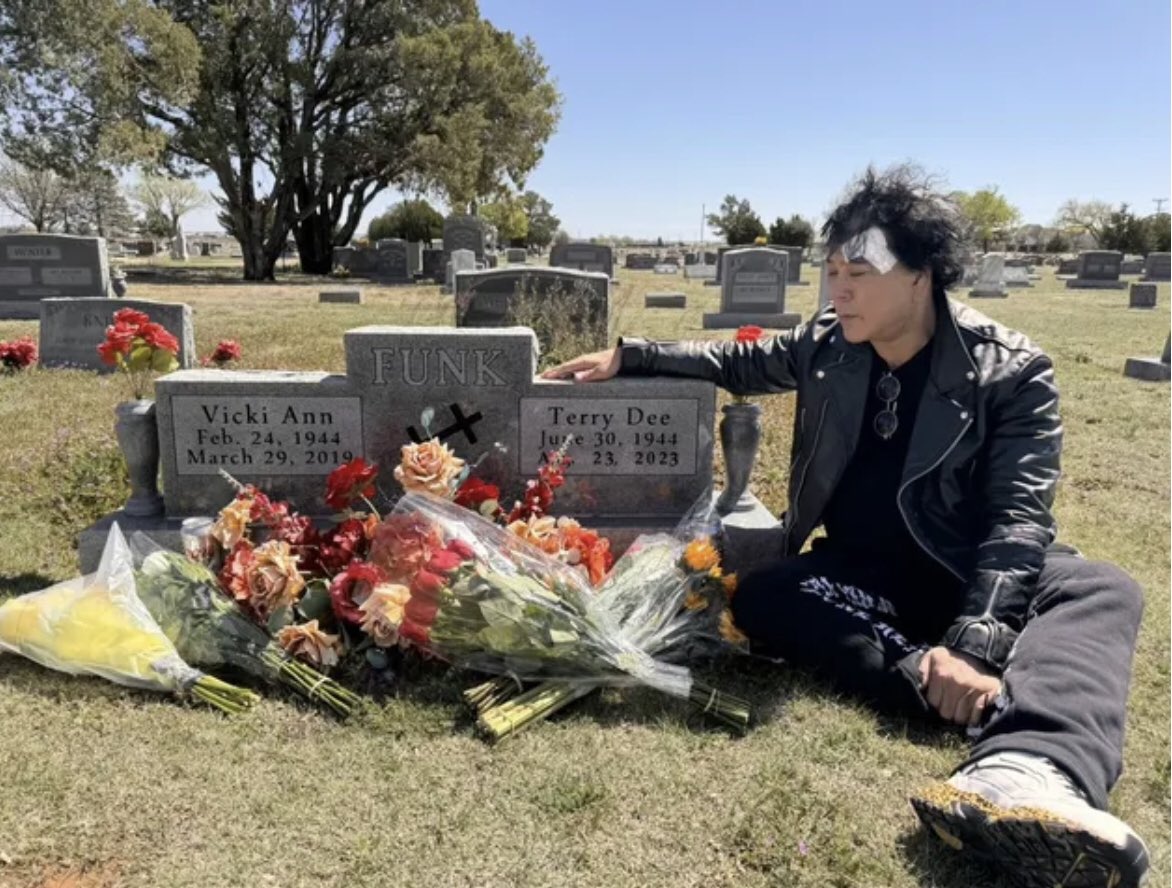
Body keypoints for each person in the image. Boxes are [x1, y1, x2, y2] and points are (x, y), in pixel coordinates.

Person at [542, 167, 1149, 888]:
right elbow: (737, 360)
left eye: (859, 272)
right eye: (832, 271)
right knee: (764, 594)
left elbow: (1019, 520)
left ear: (922, 275)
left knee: (1102, 588)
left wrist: (980, 638)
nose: (839, 290)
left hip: (966, 573)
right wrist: (631, 355)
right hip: (862, 581)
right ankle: (938, 682)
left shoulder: (1012, 372)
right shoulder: (829, 346)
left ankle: (1031, 769)